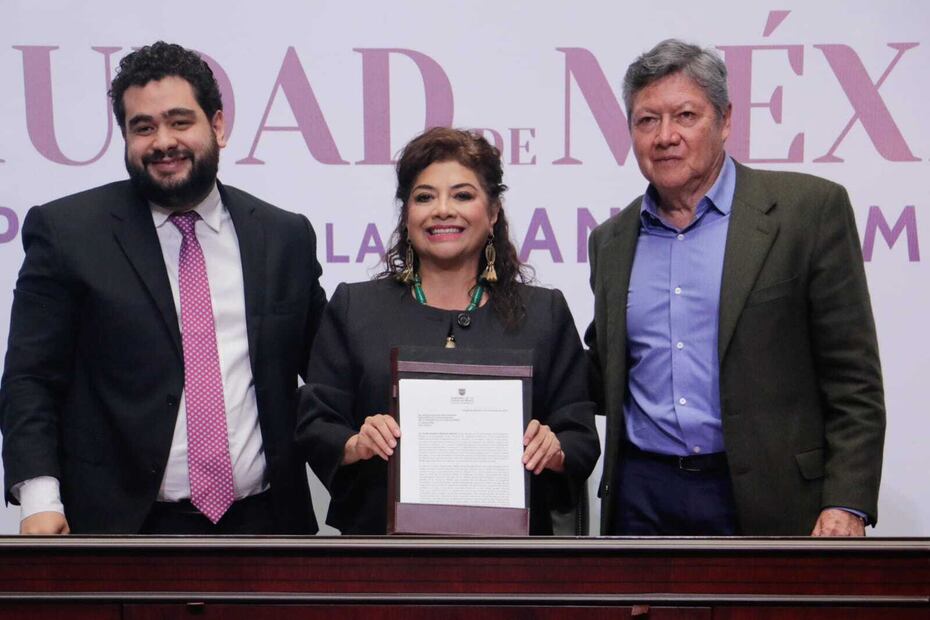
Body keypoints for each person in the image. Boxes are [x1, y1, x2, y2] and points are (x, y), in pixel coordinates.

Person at [0, 41, 326, 534]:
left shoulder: (285, 237)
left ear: (217, 126)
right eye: (143, 127)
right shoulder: (67, 233)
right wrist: (40, 501)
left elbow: (328, 370)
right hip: (121, 529)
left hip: (266, 525)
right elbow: (31, 379)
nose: (163, 142)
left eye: (179, 121)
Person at [586, 39, 885, 536]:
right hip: (642, 498)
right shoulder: (611, 242)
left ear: (725, 120)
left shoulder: (808, 212)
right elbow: (602, 369)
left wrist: (847, 501)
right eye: (647, 120)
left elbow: (853, 379)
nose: (665, 136)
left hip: (770, 496)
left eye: (685, 116)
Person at [296, 127, 600, 535]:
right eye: (424, 197)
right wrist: (355, 444)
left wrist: (554, 449)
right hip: (381, 553)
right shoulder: (356, 308)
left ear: (493, 213)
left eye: (462, 195)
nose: (442, 210)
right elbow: (316, 421)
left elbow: (579, 433)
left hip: (512, 558)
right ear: (407, 214)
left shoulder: (544, 314)